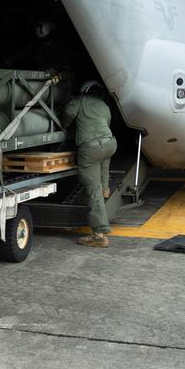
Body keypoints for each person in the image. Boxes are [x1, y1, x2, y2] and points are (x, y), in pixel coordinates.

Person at [62, 80, 117, 248]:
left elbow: (68, 112)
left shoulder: (80, 101)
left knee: (93, 191)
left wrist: (65, 125)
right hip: (110, 144)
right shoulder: (105, 107)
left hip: (91, 148)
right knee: (103, 166)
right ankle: (105, 187)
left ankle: (99, 234)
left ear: (84, 91)